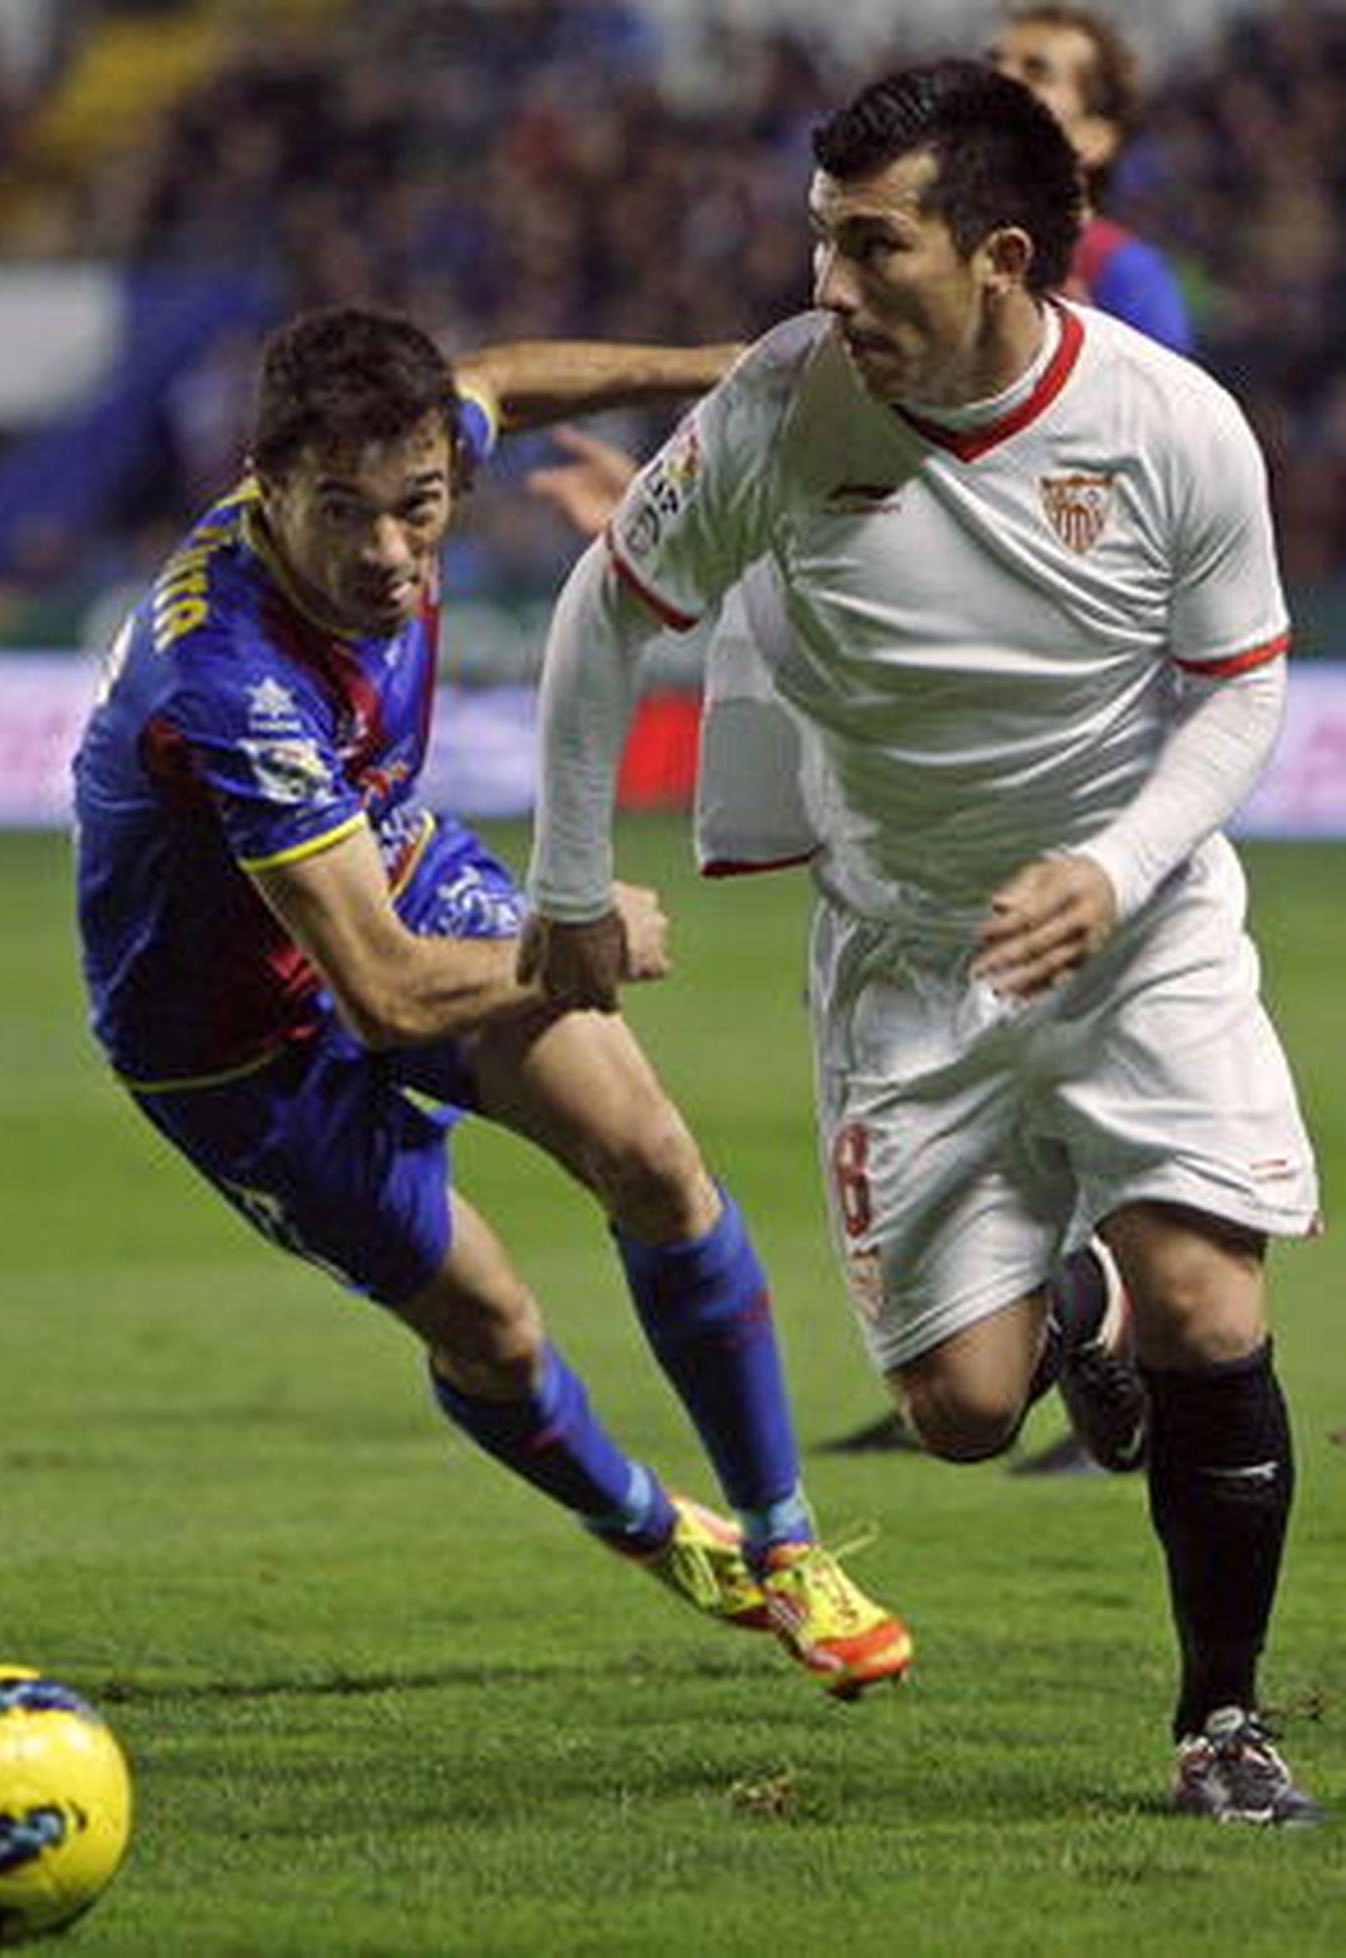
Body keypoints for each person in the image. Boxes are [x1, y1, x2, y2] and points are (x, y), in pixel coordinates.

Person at [522, 61, 1321, 1822]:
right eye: (822, 239)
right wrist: (569, 885)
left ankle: (1224, 1722)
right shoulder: (782, 407)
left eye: (872, 245)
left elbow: (1242, 695)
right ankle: (1077, 1305)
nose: (830, 284)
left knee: (1213, 1303)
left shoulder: (1173, 426)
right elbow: (604, 619)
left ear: (1004, 256)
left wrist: (1113, 868)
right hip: (903, 954)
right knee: (961, 1409)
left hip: (1138, 929)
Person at [71, 306, 912, 1700]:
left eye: (419, 507)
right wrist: (575, 932)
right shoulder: (228, 679)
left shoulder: (408, 445)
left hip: (383, 855)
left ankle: (785, 1543)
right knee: (494, 1330)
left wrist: (722, 372)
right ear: (263, 484)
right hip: (225, 1041)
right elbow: (387, 991)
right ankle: (649, 1526)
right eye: (343, 512)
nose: (391, 553)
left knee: (649, 1152)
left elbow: (501, 382)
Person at [527, 2, 1196, 1478]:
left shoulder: (1120, 308)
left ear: (1087, 142)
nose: (1004, 87)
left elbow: (1035, 523)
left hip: (1067, 806)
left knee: (1137, 1152)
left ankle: (1135, 1342)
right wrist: (686, 526)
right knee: (956, 1385)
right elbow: (882, 525)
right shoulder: (855, 347)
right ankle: (1046, 1324)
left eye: (1038, 80)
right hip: (898, 832)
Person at [989, 3, 1192, 351]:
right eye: (993, 63)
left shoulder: (1125, 274)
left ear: (1095, 138)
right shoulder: (930, 249)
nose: (998, 79)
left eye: (1037, 72)